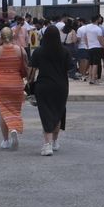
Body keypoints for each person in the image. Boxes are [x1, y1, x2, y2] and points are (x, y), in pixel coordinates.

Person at [29, 25, 70, 156]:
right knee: (58, 113)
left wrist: (29, 83)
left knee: (46, 113)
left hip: (43, 86)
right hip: (61, 86)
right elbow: (70, 68)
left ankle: (47, 145)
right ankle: (55, 141)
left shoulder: (39, 52)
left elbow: (32, 71)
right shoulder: (65, 51)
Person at [0, 28, 27, 150]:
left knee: (3, 111)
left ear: (1, 37)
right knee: (15, 110)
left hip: (1, 83)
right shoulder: (20, 50)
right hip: (16, 83)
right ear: (13, 36)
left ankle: (6, 140)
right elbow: (26, 64)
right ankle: (14, 128)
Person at [78, 16, 104, 85]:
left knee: (91, 64)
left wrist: (87, 45)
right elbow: (100, 39)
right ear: (97, 20)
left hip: (89, 47)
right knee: (95, 64)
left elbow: (85, 36)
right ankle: (93, 79)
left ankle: (90, 78)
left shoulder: (87, 27)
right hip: (97, 47)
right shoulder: (98, 29)